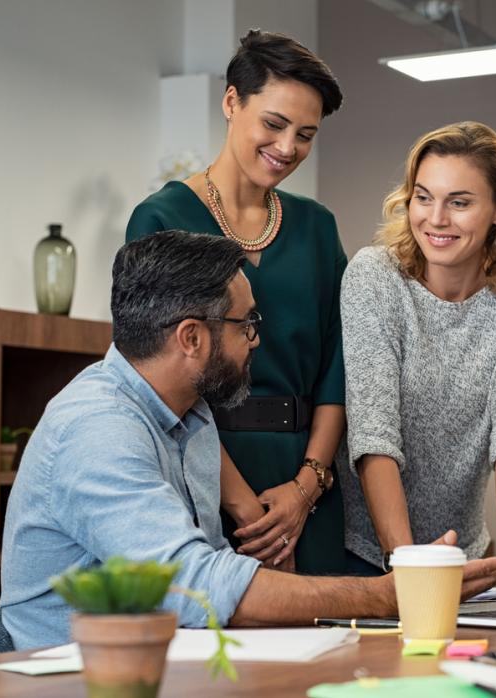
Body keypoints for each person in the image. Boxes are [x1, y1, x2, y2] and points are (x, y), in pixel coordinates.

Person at [0, 231, 496, 650]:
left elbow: (212, 588)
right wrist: (386, 596)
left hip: (171, 661)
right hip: (74, 679)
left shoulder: (192, 415)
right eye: (247, 324)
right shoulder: (96, 428)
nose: (257, 339)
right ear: (192, 337)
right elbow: (196, 587)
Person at [126, 30, 348, 574]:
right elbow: (155, 377)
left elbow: (341, 368)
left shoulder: (318, 228)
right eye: (273, 124)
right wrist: (246, 509)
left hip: (306, 483)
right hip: (202, 473)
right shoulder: (160, 220)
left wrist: (305, 489)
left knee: (330, 652)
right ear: (231, 102)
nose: (288, 147)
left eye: (306, 134)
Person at [339, 121, 496, 575]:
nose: (436, 219)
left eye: (459, 203)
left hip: (465, 547)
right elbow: (373, 432)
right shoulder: (375, 276)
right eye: (423, 197)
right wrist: (406, 565)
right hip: (363, 550)